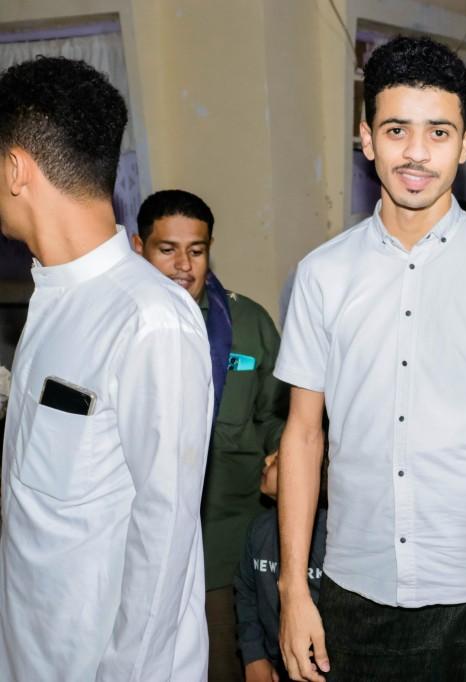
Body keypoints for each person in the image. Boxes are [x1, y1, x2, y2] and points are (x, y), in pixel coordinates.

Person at [273, 36, 466, 682]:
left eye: (438, 132)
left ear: (464, 144)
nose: (416, 152)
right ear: (366, 139)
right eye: (396, 130)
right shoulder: (322, 275)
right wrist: (293, 590)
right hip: (355, 590)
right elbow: (302, 435)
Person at [0, 57, 212, 680]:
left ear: (15, 168)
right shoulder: (52, 298)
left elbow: (165, 536)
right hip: (32, 653)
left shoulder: (149, 319)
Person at [133, 189, 288, 681]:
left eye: (196, 251)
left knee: (224, 665)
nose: (184, 265)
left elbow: (275, 417)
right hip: (139, 547)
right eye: (167, 250)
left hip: (225, 546)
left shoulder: (247, 323)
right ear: (138, 246)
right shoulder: (121, 325)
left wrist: (285, 456)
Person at [236, 453, 327, 682]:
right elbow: (246, 593)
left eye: (278, 459)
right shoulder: (259, 529)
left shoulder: (330, 533)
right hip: (276, 665)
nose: (266, 460)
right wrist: (254, 655)